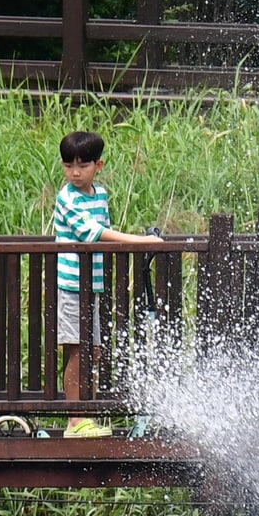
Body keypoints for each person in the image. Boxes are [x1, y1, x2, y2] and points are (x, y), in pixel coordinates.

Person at [53, 131, 163, 438]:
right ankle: (75, 420)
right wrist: (141, 241)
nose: (75, 173)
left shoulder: (99, 195)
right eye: (68, 166)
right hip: (72, 284)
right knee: (78, 350)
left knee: (94, 351)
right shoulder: (67, 198)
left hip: (92, 285)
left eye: (82, 166)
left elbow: (104, 230)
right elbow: (94, 233)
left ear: (98, 165)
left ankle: (86, 416)